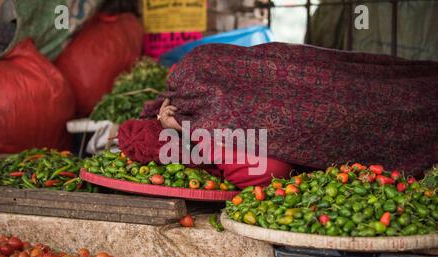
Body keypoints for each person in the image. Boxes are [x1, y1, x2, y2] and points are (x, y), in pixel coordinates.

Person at [120, 42, 438, 188]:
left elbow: (269, 171)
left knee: (374, 94)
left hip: (307, 78)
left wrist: (189, 134)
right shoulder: (188, 73)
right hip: (320, 86)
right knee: (380, 95)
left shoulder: (216, 145)